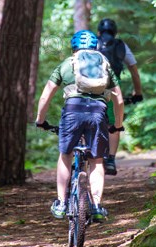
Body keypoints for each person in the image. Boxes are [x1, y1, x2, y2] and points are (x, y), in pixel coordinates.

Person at [35, 30, 125, 222]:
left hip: (72, 111)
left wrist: (40, 120)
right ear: (95, 47)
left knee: (66, 155)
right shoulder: (104, 64)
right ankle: (97, 206)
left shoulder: (67, 64)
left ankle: (60, 203)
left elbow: (46, 96)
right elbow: (119, 100)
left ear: (73, 47)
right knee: (97, 161)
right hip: (98, 112)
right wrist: (117, 125)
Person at [96, 18, 143, 175]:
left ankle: (84, 154)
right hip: (112, 88)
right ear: (115, 32)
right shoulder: (121, 45)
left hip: (90, 87)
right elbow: (134, 72)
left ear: (98, 32)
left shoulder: (91, 43)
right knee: (115, 123)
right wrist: (138, 92)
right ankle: (110, 160)